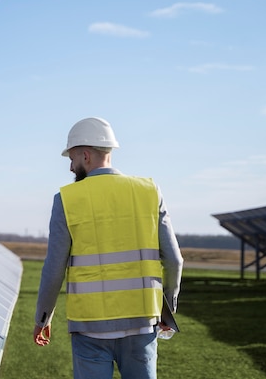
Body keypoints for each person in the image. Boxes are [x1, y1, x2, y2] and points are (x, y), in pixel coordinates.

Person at [33, 117, 183, 379]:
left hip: (89, 328)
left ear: (86, 155)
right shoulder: (150, 191)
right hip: (141, 324)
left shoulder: (66, 200)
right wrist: (165, 311)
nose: (70, 166)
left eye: (72, 158)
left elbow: (53, 269)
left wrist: (43, 319)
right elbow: (174, 261)